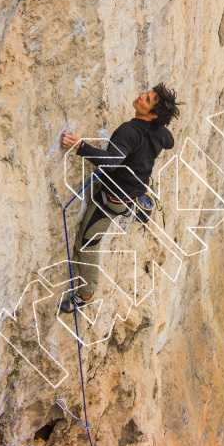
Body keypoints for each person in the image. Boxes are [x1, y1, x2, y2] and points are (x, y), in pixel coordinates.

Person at [59, 82, 183, 313]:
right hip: (135, 187)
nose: (141, 96)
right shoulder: (161, 133)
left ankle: (86, 294)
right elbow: (170, 142)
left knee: (86, 243)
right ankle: (141, 200)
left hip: (113, 200)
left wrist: (79, 145)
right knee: (138, 176)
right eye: (147, 94)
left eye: (147, 99)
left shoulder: (130, 130)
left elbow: (111, 161)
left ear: (153, 114)